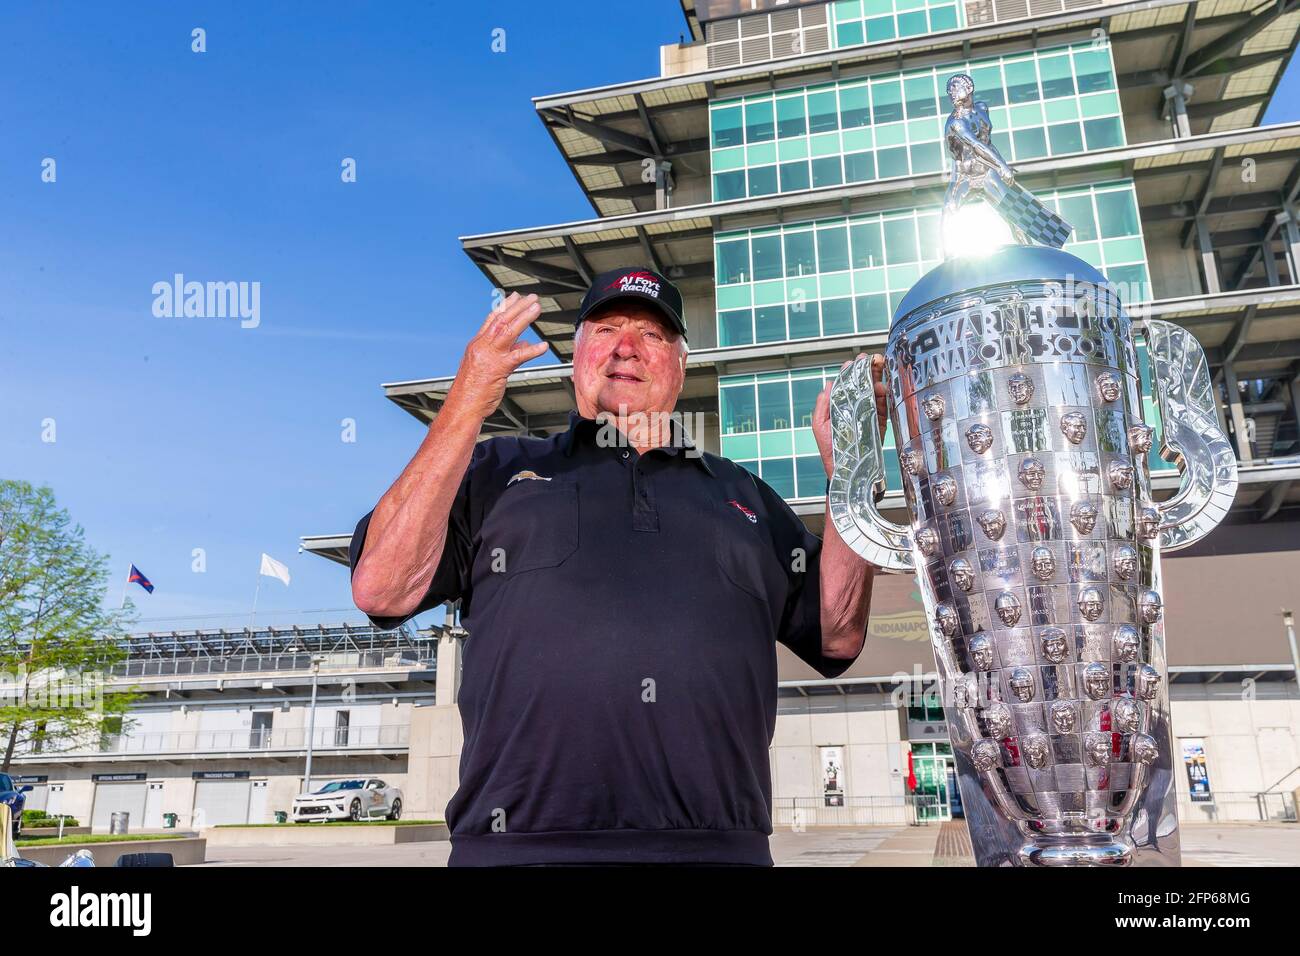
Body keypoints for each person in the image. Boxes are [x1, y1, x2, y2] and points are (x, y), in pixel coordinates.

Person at [349, 266, 885, 865]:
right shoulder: (497, 471)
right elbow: (381, 587)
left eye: (652, 335)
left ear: (680, 368)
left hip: (717, 852)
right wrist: (467, 400)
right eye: (605, 329)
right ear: (576, 356)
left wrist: (853, 474)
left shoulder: (745, 497)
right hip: (515, 851)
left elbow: (838, 633)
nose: (626, 347)